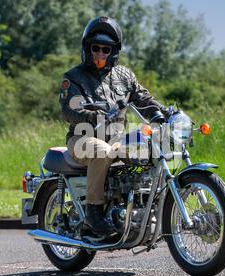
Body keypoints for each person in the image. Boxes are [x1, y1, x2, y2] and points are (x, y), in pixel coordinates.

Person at [60, 16, 169, 237]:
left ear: (114, 52)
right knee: (103, 151)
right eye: (96, 48)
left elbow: (143, 99)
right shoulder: (73, 77)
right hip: (83, 138)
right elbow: (69, 110)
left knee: (146, 148)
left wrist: (165, 112)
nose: (100, 54)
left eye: (106, 49)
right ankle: (93, 214)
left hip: (116, 138)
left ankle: (140, 207)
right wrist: (94, 116)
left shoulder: (124, 75)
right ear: (87, 48)